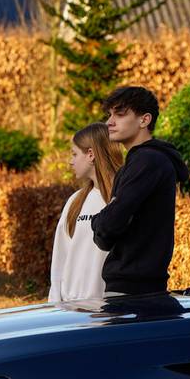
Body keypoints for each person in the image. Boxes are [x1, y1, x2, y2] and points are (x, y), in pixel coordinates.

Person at [90, 86, 190, 297]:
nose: (109, 122)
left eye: (120, 114)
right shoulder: (134, 164)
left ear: (144, 120)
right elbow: (105, 239)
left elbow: (109, 225)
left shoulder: (147, 161)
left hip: (133, 291)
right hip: (135, 286)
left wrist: (98, 221)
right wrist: (105, 222)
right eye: (109, 115)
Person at [48, 123, 124, 302]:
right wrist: (55, 305)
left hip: (111, 310)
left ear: (91, 155)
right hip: (72, 310)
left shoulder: (124, 198)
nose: (70, 161)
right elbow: (61, 255)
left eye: (75, 154)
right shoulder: (76, 201)